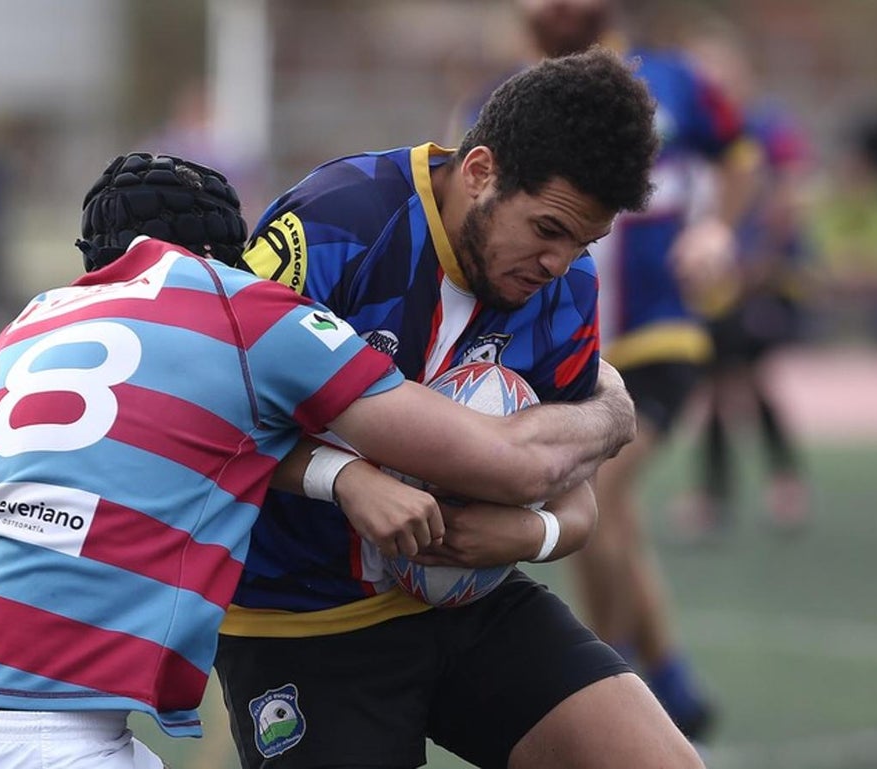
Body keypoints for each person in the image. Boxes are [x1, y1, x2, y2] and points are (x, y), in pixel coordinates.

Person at [0, 150, 669, 768]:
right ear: (229, 255)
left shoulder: (32, 324)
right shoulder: (238, 311)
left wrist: (344, 473)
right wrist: (612, 409)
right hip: (64, 737)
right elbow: (502, 460)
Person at [217, 50, 704, 769]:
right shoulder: (336, 225)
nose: (559, 264)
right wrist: (344, 479)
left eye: (583, 242)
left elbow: (580, 505)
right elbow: (214, 414)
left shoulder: (566, 291)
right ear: (480, 172)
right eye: (547, 229)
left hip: (468, 607)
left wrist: (527, 534)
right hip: (301, 622)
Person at [507, 0, 761, 742]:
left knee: (602, 493)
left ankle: (603, 681)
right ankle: (671, 676)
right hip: (577, 347)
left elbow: (743, 157)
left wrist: (718, 229)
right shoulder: (513, 96)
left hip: (662, 335)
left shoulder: (674, 79)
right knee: (613, 515)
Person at [671, 26, 814, 539]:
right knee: (716, 384)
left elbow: (790, 197)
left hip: (755, 275)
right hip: (712, 278)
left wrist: (760, 261)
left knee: (745, 381)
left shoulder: (765, 125)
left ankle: (775, 484)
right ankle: (726, 493)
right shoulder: (691, 130)